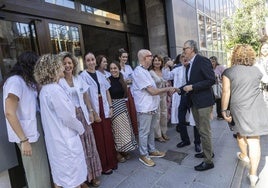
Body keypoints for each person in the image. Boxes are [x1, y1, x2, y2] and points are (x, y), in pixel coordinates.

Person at [34, 54, 87, 188]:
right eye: (60, 66)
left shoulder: (46, 90)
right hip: (65, 141)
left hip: (57, 141)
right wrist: (81, 128)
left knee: (61, 177)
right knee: (72, 179)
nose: (63, 68)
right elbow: (68, 117)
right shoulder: (54, 90)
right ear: (53, 69)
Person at [221, 44, 268, 187]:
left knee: (240, 134)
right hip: (257, 108)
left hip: (239, 109)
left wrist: (223, 110)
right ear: (251, 56)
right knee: (255, 141)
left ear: (235, 55)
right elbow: (264, 80)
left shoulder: (228, 72)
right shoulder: (256, 70)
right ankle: (253, 175)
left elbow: (226, 93)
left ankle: (244, 156)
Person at [3, 51, 51, 188]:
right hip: (27, 135)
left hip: (34, 130)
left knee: (42, 169)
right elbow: (9, 112)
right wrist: (23, 140)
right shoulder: (15, 82)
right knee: (37, 173)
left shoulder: (26, 81)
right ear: (29, 66)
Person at [58, 52, 102, 187]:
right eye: (64, 63)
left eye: (69, 63)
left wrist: (91, 111)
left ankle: (93, 175)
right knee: (78, 149)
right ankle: (82, 180)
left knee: (90, 145)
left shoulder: (78, 79)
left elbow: (85, 96)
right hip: (71, 119)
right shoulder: (59, 82)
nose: (67, 65)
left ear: (74, 64)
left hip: (83, 115)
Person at [131, 49, 175, 167]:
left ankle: (152, 150)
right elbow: (152, 91)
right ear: (145, 58)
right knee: (144, 132)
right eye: (150, 56)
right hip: (145, 108)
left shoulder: (146, 71)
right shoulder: (139, 72)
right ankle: (143, 155)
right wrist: (167, 89)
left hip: (152, 106)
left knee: (151, 130)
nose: (152, 58)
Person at [178, 40, 215, 171]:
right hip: (194, 102)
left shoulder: (202, 60)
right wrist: (179, 89)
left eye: (185, 48)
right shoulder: (189, 65)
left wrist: (192, 87)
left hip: (204, 102)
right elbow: (191, 83)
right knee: (201, 130)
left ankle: (209, 161)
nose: (183, 51)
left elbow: (211, 80)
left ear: (192, 48)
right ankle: (207, 152)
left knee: (204, 131)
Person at [80, 52, 118, 175]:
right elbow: (86, 97)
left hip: (104, 105)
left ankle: (111, 162)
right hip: (94, 108)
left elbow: (107, 92)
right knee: (99, 137)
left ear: (95, 62)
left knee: (107, 134)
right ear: (85, 62)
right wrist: (94, 112)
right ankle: (103, 165)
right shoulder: (83, 76)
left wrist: (111, 106)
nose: (91, 62)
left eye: (92, 59)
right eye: (88, 60)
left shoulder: (100, 75)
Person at [163, 53, 201, 153]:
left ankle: (197, 142)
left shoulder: (194, 69)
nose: (184, 59)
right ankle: (185, 140)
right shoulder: (176, 70)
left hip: (192, 96)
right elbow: (166, 76)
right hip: (181, 97)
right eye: (182, 57)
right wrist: (166, 66)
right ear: (180, 60)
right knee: (181, 119)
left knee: (195, 119)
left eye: (186, 57)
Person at [108, 61, 138, 163]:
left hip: (122, 106)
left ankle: (124, 149)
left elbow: (125, 94)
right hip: (114, 107)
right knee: (117, 130)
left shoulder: (122, 80)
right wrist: (111, 107)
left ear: (118, 69)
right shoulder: (108, 81)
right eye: (111, 68)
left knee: (125, 130)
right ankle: (118, 152)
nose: (113, 70)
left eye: (115, 68)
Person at [118, 48, 138, 136]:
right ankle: (127, 133)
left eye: (126, 57)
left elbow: (133, 78)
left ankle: (134, 131)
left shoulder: (129, 67)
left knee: (132, 111)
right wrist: (125, 81)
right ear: (119, 57)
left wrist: (129, 81)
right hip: (123, 92)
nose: (125, 59)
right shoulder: (116, 67)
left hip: (130, 91)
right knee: (125, 112)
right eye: (123, 57)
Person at [149, 55, 169, 142]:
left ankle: (164, 132)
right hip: (155, 96)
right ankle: (158, 135)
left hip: (163, 95)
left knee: (164, 115)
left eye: (159, 61)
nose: (157, 62)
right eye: (155, 60)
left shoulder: (163, 71)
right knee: (157, 116)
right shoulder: (151, 72)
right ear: (152, 62)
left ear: (161, 62)